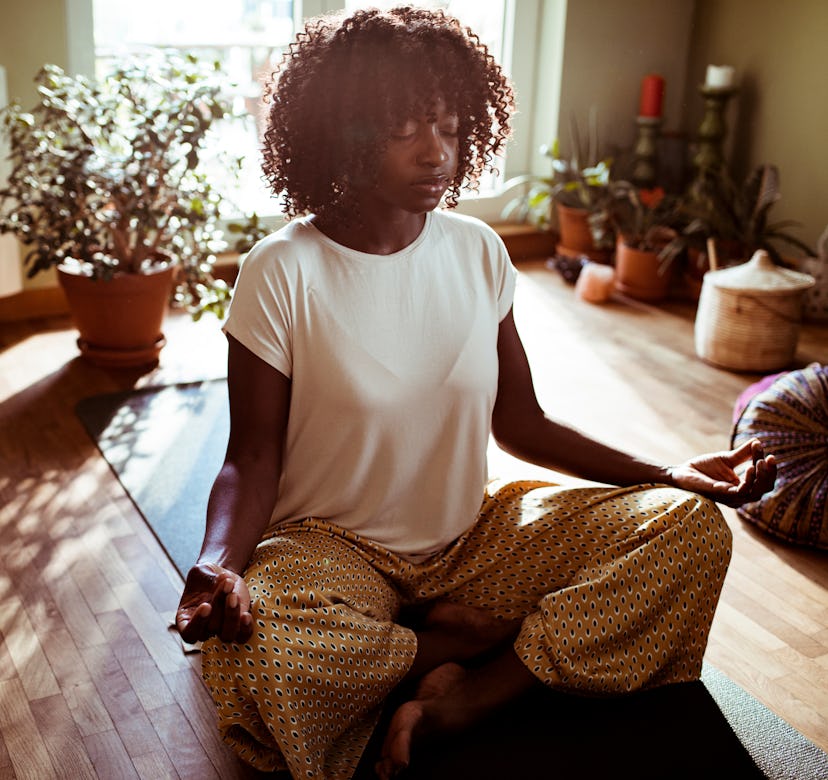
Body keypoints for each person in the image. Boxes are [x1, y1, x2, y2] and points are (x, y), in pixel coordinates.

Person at [175, 7, 776, 779]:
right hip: (330, 547)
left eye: (453, 128)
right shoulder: (280, 269)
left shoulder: (479, 250)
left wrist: (666, 475)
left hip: (472, 537)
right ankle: (461, 642)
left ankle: (473, 695)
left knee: (688, 530)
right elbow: (251, 455)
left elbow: (521, 421)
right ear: (346, 133)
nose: (439, 154)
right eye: (405, 130)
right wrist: (220, 564)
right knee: (264, 651)